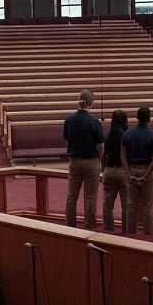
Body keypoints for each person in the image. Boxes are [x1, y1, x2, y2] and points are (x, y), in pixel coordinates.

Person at [63, 89, 104, 229]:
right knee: (90, 196)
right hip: (91, 161)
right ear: (91, 103)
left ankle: (70, 224)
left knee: (71, 195)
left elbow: (66, 140)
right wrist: (99, 159)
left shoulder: (69, 120)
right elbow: (100, 145)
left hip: (74, 161)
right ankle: (89, 225)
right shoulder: (94, 122)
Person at [121, 106, 153, 235]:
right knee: (148, 205)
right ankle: (149, 235)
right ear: (149, 119)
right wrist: (145, 176)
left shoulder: (128, 134)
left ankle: (130, 234)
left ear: (137, 118)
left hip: (132, 169)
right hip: (147, 170)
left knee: (131, 205)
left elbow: (123, 156)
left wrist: (129, 174)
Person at [101, 109, 129, 232]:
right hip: (123, 171)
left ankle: (108, 229)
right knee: (126, 204)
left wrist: (104, 170)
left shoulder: (107, 136)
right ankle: (127, 230)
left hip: (109, 170)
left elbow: (103, 156)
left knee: (108, 204)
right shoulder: (127, 136)